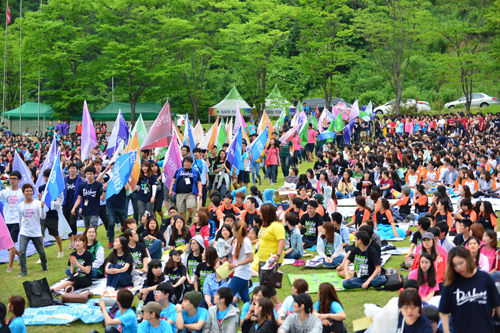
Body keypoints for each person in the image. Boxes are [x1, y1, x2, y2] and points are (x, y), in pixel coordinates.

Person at [439, 246, 500, 333]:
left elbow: (497, 304)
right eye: (454, 265)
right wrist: (446, 331)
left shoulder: (484, 278)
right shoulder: (450, 283)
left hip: (484, 328)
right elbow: (444, 311)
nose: (459, 267)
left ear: (468, 259)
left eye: (461, 263)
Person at [258, 203, 285, 305]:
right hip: (262, 258)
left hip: (271, 260)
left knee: (266, 284)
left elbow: (281, 240)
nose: (259, 213)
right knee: (263, 283)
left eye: (261, 212)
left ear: (266, 213)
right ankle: (267, 303)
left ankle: (277, 304)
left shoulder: (277, 226)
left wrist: (277, 255)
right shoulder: (265, 225)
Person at [17, 183, 47, 277]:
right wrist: (21, 229)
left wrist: (42, 208)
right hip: (24, 231)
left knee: (41, 251)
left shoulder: (38, 203)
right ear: (23, 193)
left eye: (30, 191)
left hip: (36, 231)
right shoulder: (20, 205)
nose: (29, 193)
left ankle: (44, 266)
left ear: (32, 192)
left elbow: (43, 217)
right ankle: (23, 270)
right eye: (27, 191)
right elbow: (20, 219)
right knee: (22, 251)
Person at [1, 171, 24, 273]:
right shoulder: (5, 192)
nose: (12, 180)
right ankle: (20, 255)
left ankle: (10, 266)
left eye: (14, 179)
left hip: (16, 221)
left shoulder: (21, 193)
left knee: (11, 244)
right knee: (6, 245)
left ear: (19, 180)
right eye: (11, 178)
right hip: (6, 221)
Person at [37, 168, 64, 258]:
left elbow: (59, 203)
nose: (46, 178)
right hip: (42, 215)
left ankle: (60, 249)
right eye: (45, 176)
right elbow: (39, 202)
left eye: (48, 176)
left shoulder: (57, 189)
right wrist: (40, 199)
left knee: (55, 234)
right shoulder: (41, 188)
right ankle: (42, 255)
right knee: (41, 235)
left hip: (52, 215)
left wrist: (48, 202)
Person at [227, 220, 254, 304]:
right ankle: (253, 313)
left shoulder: (245, 241)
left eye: (232, 229)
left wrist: (236, 264)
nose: (231, 231)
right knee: (246, 300)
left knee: (227, 296)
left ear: (236, 230)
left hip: (242, 273)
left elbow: (250, 258)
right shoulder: (238, 240)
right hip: (240, 272)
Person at [170, 156, 202, 222]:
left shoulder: (195, 172)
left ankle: (190, 216)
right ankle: (184, 225)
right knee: (181, 211)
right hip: (179, 193)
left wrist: (200, 192)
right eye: (185, 162)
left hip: (190, 193)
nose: (186, 163)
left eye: (188, 162)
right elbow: (173, 181)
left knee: (191, 207)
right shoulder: (179, 171)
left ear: (191, 163)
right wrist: (170, 190)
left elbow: (199, 182)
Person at [63, 163, 83, 250]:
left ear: (76, 170)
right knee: (67, 224)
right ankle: (71, 242)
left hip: (75, 204)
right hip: (66, 204)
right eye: (71, 168)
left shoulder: (79, 180)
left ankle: (75, 242)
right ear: (68, 169)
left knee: (72, 223)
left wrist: (81, 206)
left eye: (74, 168)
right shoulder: (65, 180)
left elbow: (81, 194)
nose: (72, 170)